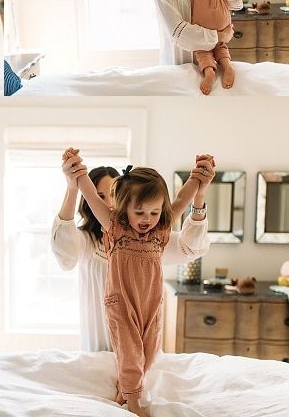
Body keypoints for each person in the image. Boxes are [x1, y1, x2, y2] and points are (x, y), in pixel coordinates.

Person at [71, 150, 210, 417]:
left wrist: (197, 177)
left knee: (147, 353)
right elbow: (89, 194)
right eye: (140, 212)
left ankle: (126, 387)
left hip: (151, 304)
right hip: (121, 302)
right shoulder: (115, 228)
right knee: (131, 352)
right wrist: (78, 170)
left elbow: (181, 199)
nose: (147, 218)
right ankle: (133, 400)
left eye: (154, 212)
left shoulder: (160, 231)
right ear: (123, 208)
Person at [52, 153, 215, 352]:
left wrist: (199, 192)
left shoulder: (154, 239)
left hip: (143, 344)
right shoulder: (86, 242)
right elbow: (65, 253)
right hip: (98, 348)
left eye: (113, 195)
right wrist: (72, 187)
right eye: (101, 197)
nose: (108, 204)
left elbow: (191, 246)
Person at [187, 0, 235, 94]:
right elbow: (237, 3)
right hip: (222, 22)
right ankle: (227, 66)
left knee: (202, 49)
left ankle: (209, 72)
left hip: (202, 23)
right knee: (220, 45)